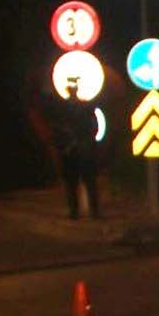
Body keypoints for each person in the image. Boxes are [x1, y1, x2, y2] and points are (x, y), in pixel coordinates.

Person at [55, 84, 101, 220]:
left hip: (84, 148)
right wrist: (65, 144)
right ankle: (74, 211)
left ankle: (94, 211)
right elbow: (58, 127)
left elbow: (94, 126)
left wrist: (87, 141)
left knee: (89, 181)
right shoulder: (62, 108)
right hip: (69, 150)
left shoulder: (86, 107)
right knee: (71, 182)